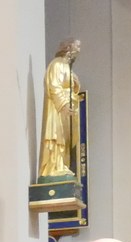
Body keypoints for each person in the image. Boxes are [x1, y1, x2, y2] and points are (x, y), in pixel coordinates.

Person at [38, 39, 81, 179]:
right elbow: (54, 85)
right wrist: (63, 104)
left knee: (66, 139)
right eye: (77, 46)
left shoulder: (67, 67)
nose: (79, 50)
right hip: (58, 110)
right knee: (58, 137)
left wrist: (75, 85)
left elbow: (70, 86)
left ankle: (61, 165)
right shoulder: (57, 64)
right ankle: (54, 166)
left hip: (66, 110)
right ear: (69, 47)